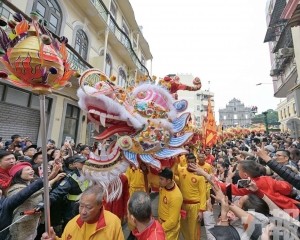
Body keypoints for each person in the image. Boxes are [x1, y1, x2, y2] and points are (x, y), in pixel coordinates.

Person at [41, 185, 124, 240]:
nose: (83, 212)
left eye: (88, 207)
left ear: (100, 205)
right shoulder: (73, 223)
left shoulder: (113, 222)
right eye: (81, 206)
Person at [6, 162, 65, 240]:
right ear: (18, 174)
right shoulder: (14, 189)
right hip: (21, 225)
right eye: (27, 170)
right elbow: (32, 192)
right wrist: (52, 177)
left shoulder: (30, 184)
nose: (32, 171)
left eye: (31, 169)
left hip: (33, 223)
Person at [178, 153, 206, 240]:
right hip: (183, 205)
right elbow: (174, 169)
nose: (190, 164)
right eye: (189, 162)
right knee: (184, 227)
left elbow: (203, 194)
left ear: (195, 162)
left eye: (192, 162)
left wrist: (201, 211)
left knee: (193, 229)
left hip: (195, 206)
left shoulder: (200, 175)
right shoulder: (181, 170)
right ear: (186, 162)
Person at [158, 168, 183, 240]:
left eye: (161, 179)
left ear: (168, 180)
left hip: (169, 230)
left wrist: (160, 228)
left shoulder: (176, 196)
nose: (159, 181)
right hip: (161, 223)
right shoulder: (164, 186)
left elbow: (172, 221)